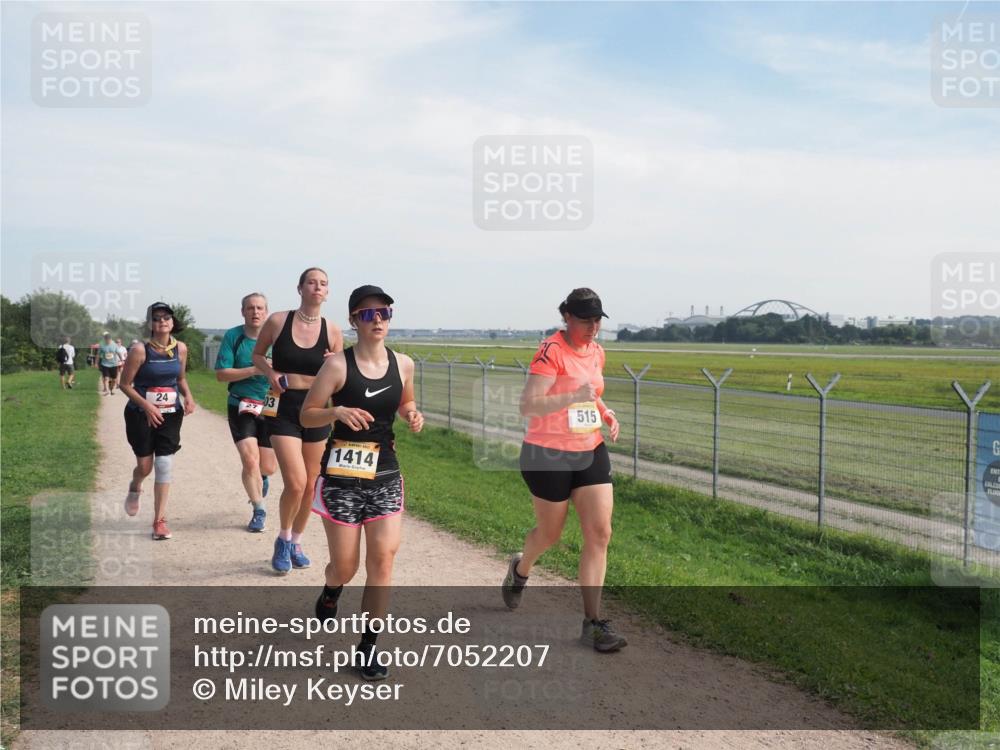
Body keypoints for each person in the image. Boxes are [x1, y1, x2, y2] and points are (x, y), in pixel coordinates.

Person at [301, 285, 423, 680]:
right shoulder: (337, 366)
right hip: (341, 479)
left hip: (385, 474)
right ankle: (332, 589)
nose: (378, 320)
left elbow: (406, 401)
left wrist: (412, 414)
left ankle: (368, 647)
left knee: (383, 561)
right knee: (346, 566)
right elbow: (307, 415)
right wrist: (335, 409)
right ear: (354, 320)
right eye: (369, 314)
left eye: (385, 312)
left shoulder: (403, 364)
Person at [501, 288, 625, 652]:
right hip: (547, 454)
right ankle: (521, 568)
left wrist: (605, 412)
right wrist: (572, 397)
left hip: (589, 449)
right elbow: (529, 406)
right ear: (567, 317)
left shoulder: (597, 351)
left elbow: (591, 391)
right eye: (586, 320)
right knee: (550, 535)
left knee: (600, 532)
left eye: (598, 320)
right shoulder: (551, 351)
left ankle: (593, 622)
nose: (593, 327)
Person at [253, 268, 343, 574]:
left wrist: (335, 363)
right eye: (311, 282)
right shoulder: (278, 320)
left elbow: (341, 377)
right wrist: (271, 373)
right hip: (284, 406)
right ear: (300, 288)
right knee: (296, 481)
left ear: (327, 292)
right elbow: (257, 356)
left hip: (316, 407)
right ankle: (282, 538)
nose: (317, 287)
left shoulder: (332, 330)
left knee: (311, 486)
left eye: (323, 284)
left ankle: (296, 542)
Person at [118, 303, 197, 540]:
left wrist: (189, 397)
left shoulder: (181, 349)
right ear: (150, 324)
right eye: (156, 318)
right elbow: (124, 384)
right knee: (145, 467)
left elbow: (180, 378)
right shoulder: (139, 351)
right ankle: (135, 486)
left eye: (166, 318)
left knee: (164, 464)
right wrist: (147, 405)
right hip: (140, 414)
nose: (162, 321)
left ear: (173, 323)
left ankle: (159, 521)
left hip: (171, 413)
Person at [215, 293, 278, 532]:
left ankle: (261, 479)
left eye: (260, 308)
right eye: (250, 308)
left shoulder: (277, 338)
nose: (255, 312)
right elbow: (222, 374)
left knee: (268, 467)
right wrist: (255, 368)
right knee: (250, 460)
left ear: (266, 311)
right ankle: (259, 510)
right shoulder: (234, 336)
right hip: (241, 404)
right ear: (243, 312)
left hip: (271, 405)